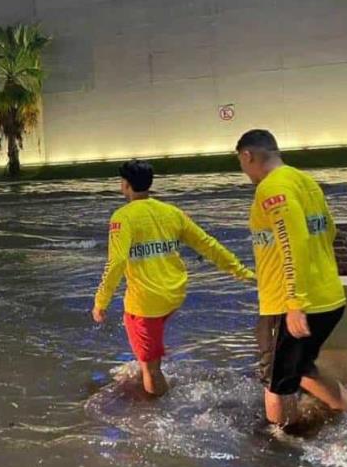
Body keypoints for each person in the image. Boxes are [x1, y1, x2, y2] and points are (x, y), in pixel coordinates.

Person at [92, 160, 255, 396]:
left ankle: (156, 413)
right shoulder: (171, 212)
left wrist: (100, 302)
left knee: (150, 368)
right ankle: (152, 364)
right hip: (174, 294)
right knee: (149, 351)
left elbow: (116, 262)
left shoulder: (122, 217)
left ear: (125, 185)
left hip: (146, 303)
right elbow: (207, 244)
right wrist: (240, 271)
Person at [235, 129, 347, 427]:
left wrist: (293, 302)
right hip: (328, 299)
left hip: (288, 303)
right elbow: (328, 231)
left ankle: (282, 449)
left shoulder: (271, 188)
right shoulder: (305, 182)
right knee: (301, 366)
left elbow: (293, 240)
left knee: (276, 382)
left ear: (247, 155)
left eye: (241, 162)